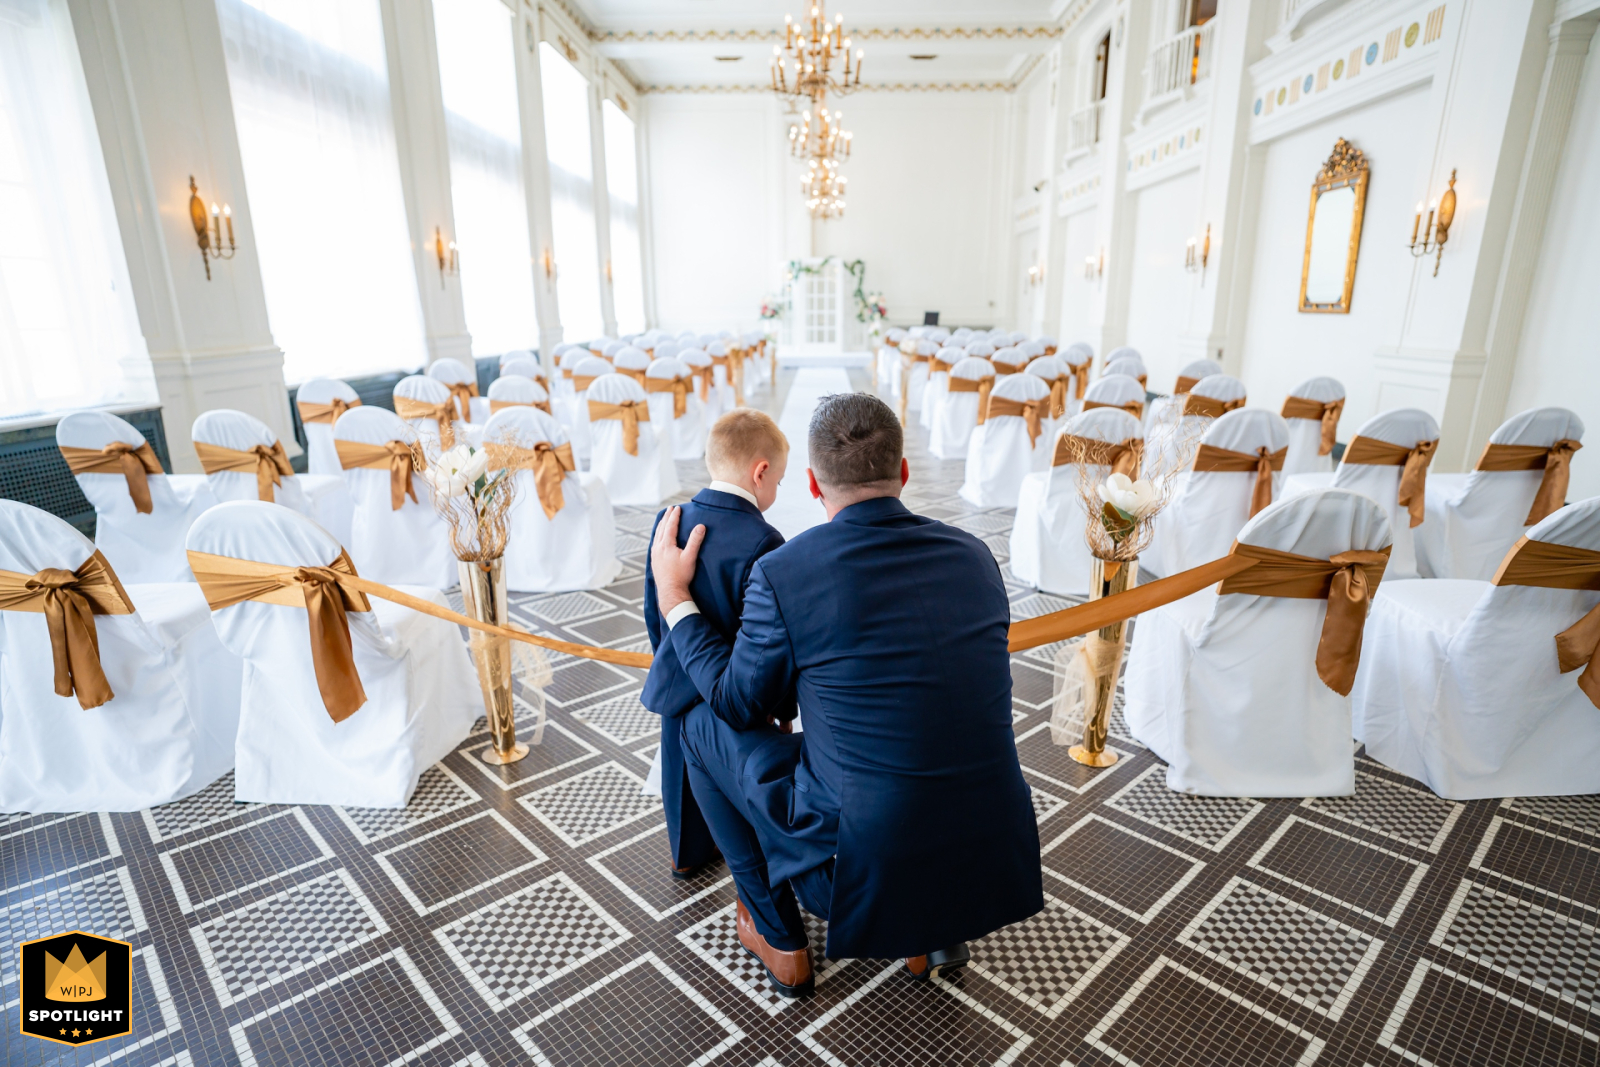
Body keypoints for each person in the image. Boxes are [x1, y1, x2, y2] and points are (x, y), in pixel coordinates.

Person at [651, 392, 1042, 998]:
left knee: (698, 724)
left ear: (811, 483)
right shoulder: (976, 556)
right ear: (904, 472)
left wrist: (677, 599)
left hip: (857, 869)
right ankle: (927, 931)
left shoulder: (787, 572)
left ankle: (777, 934)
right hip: (989, 852)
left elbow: (737, 703)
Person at [642, 410, 790, 879]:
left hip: (676, 674)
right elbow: (763, 635)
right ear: (760, 471)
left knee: (678, 777)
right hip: (725, 682)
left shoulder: (670, 520)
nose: (775, 492)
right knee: (730, 772)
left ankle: (685, 853)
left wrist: (666, 656)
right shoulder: (763, 539)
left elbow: (655, 606)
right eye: (779, 481)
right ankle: (737, 843)